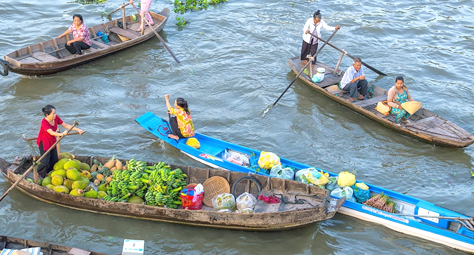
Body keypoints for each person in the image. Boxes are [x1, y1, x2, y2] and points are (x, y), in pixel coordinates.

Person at [36, 105, 85, 178]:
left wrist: (78, 129)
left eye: (55, 113)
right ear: (47, 115)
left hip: (52, 141)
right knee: (45, 161)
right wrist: (62, 134)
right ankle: (40, 173)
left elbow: (65, 125)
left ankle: (49, 173)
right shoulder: (44, 122)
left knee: (54, 160)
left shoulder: (56, 118)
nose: (55, 115)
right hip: (44, 142)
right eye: (53, 114)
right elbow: (51, 132)